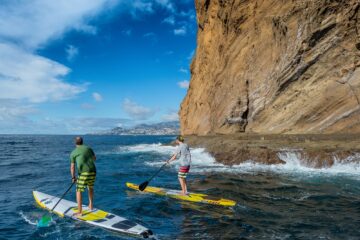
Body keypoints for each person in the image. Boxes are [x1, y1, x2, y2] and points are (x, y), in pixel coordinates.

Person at [70, 137, 96, 216]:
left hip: (83, 173)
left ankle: (80, 211)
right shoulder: (89, 148)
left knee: (79, 191)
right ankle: (91, 205)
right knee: (90, 187)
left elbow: (72, 167)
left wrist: (73, 177)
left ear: (75, 143)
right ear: (82, 142)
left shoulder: (73, 153)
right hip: (93, 171)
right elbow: (94, 158)